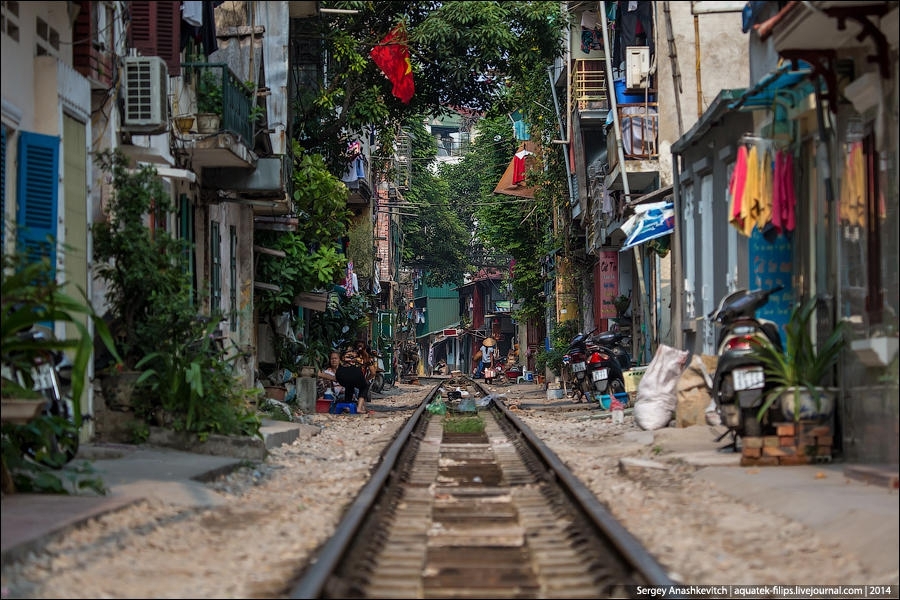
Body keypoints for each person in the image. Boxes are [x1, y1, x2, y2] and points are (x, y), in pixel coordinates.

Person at [328, 346, 370, 415]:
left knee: (349, 386)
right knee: (364, 386)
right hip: (355, 373)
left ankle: (348, 405)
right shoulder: (357, 355)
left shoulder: (343, 356)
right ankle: (359, 408)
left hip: (340, 375)